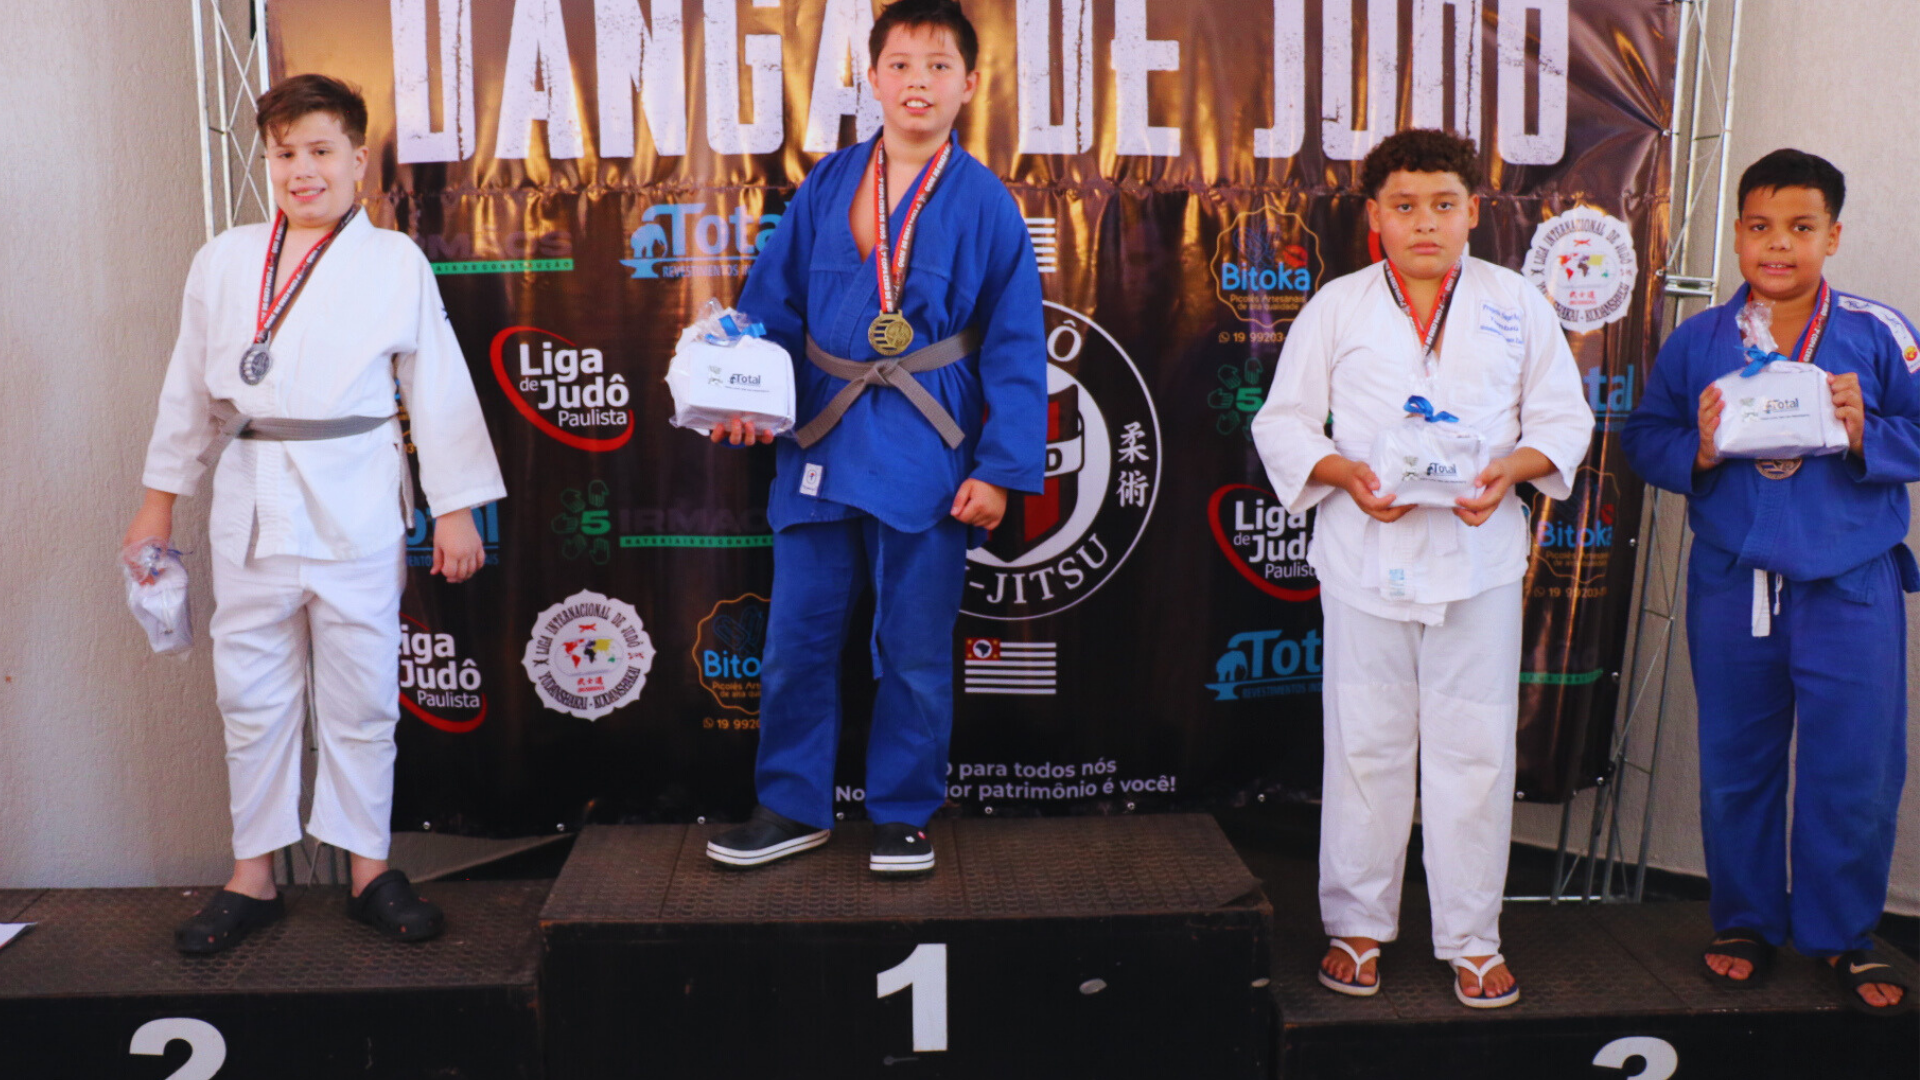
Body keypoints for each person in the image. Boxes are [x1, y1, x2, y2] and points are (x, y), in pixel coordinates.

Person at [128, 74, 505, 953]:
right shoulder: (225, 260)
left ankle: (369, 871)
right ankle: (252, 877)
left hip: (356, 494)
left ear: (358, 160)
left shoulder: (394, 261)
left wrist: (454, 508)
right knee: (249, 694)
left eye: (321, 151)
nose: (302, 170)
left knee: (362, 691)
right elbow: (189, 394)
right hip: (253, 494)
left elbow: (437, 387)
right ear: (268, 161)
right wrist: (156, 505)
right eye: (285, 153)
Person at [1251, 129, 1593, 1007]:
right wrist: (1346, 477)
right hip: (1365, 554)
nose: (1425, 223)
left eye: (1444, 205)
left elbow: (1563, 420)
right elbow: (1283, 423)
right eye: (1405, 206)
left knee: (1473, 749)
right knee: (1364, 744)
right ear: (1375, 216)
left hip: (1477, 557)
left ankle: (1473, 938)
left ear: (1474, 212)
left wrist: (1509, 474)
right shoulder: (1338, 307)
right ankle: (1358, 925)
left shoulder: (1517, 303)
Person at [703, 0, 1045, 876]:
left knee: (915, 650)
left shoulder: (988, 204)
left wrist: (1001, 470)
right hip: (821, 432)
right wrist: (747, 399)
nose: (917, 82)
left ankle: (904, 812)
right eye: (900, 65)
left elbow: (1015, 345)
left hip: (925, 441)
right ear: (872, 78)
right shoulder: (827, 184)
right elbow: (771, 310)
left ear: (970, 84)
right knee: (797, 644)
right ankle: (791, 806)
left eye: (938, 66)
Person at [1622, 149, 1918, 1016]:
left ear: (1834, 236)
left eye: (1800, 227)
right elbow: (1644, 437)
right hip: (1735, 583)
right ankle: (1746, 920)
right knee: (1736, 763)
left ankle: (1841, 934)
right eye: (1760, 226)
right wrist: (1702, 449)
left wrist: (1867, 433)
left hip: (1850, 583)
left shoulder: (1878, 332)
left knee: (1854, 768)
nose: (1778, 244)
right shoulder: (1700, 340)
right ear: (1738, 234)